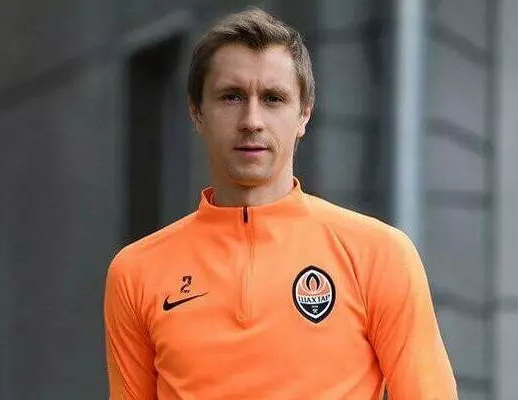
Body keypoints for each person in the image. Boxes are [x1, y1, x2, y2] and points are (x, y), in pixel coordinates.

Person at [103, 6, 458, 400]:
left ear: (303, 114)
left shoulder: (379, 254)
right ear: (196, 112)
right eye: (232, 96)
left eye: (272, 98)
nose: (252, 120)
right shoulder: (137, 273)